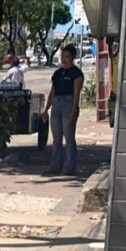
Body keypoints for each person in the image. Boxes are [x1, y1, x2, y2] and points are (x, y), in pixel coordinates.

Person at [42, 44, 84, 176]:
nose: (64, 60)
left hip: (68, 104)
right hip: (57, 105)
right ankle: (55, 166)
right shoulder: (57, 73)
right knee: (56, 138)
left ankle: (69, 168)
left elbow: (76, 94)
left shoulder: (76, 74)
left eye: (67, 57)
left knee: (69, 138)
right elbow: (52, 92)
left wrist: (73, 111)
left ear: (73, 58)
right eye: (62, 57)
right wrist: (46, 109)